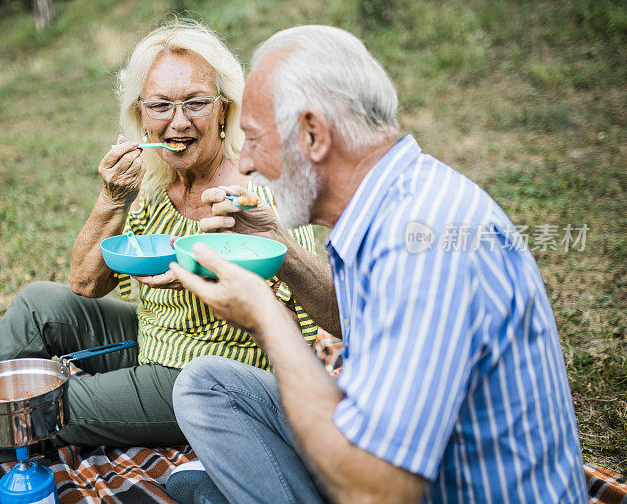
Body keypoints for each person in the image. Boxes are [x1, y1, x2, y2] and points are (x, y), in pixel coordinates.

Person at [0, 21, 321, 504]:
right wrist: (111, 199)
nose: (178, 120)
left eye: (195, 102)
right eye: (160, 105)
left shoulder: (254, 193)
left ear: (222, 110)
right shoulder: (154, 183)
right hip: (151, 338)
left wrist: (235, 271)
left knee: (48, 401)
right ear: (140, 115)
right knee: (41, 302)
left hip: (212, 373)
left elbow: (297, 329)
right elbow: (85, 283)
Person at [169, 25, 588, 503]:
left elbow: (381, 492)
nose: (243, 163)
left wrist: (266, 319)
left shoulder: (423, 246)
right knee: (206, 384)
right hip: (390, 458)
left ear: (312, 135)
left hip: (403, 488)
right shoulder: (392, 200)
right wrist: (274, 243)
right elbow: (354, 320)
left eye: (254, 139)